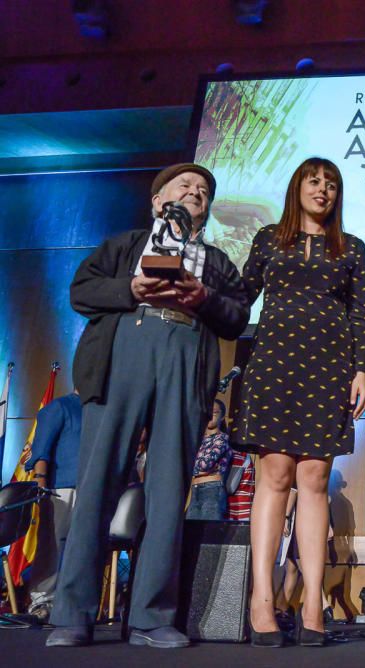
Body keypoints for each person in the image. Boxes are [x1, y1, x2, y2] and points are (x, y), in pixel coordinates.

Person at [47, 163, 251, 649]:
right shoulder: (125, 245)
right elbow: (81, 291)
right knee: (98, 481)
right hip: (126, 349)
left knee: (167, 488)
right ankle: (73, 614)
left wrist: (204, 297)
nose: (194, 193)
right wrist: (130, 289)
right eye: (184, 186)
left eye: (203, 191)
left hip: (185, 353)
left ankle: (151, 617)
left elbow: (238, 315)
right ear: (158, 200)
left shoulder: (217, 261)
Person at [231, 157, 365, 648]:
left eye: (332, 184)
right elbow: (239, 294)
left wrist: (361, 370)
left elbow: (359, 313)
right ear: (297, 188)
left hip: (327, 369)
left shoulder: (351, 248)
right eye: (315, 182)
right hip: (274, 364)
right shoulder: (270, 238)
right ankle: (262, 600)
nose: (324, 190)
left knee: (313, 478)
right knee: (275, 476)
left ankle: (313, 602)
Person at [24, 390, 82, 620]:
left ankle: (71, 603)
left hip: (90, 489)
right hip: (60, 489)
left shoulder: (99, 410)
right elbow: (42, 449)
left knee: (80, 548)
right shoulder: (59, 407)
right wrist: (41, 484)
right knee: (53, 544)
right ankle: (42, 601)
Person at [186, 400, 232, 521]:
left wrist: (196, 469)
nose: (210, 416)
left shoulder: (222, 438)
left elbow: (205, 464)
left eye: (214, 412)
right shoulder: (198, 440)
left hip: (212, 489)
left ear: (222, 416)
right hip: (195, 489)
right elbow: (186, 464)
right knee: (191, 532)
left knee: (208, 532)